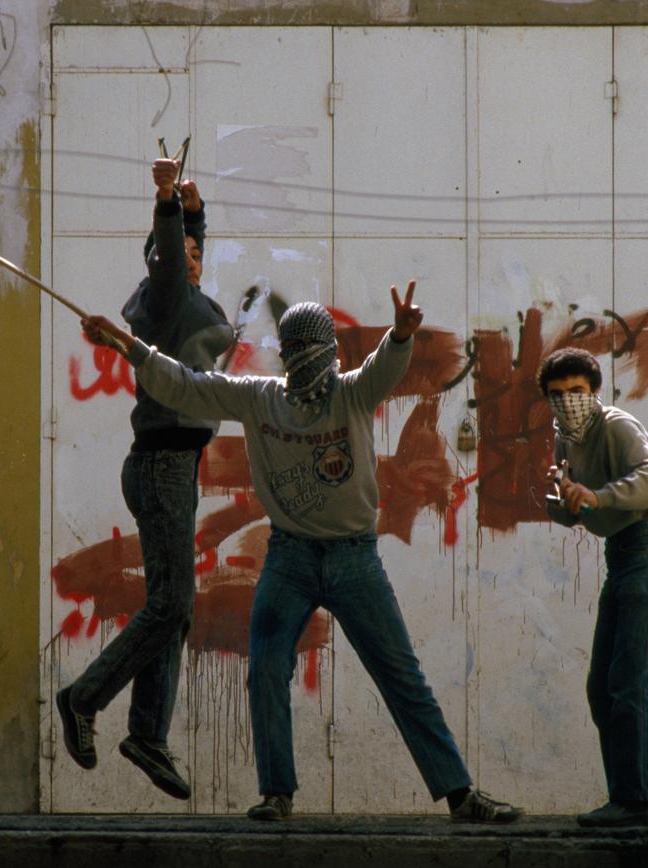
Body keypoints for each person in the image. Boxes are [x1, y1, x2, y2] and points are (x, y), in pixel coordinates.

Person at [81, 282, 522, 824]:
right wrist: (129, 346)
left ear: (332, 355)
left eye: (318, 353)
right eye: (299, 352)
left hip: (354, 560)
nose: (311, 365)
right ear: (287, 356)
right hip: (289, 558)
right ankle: (277, 795)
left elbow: (385, 367)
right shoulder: (260, 398)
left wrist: (401, 335)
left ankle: (460, 794)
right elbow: (187, 386)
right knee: (267, 669)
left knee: (401, 676)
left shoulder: (351, 392)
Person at [56, 157, 233, 801]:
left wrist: (194, 210)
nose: (193, 257)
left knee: (172, 608)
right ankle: (83, 698)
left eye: (198, 251)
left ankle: (148, 735)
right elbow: (169, 259)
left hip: (175, 467)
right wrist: (165, 202)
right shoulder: (165, 300)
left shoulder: (184, 298)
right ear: (162, 260)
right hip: (162, 464)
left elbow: (184, 249)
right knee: (171, 604)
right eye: (182, 252)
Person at [540, 347, 648, 828]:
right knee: (602, 688)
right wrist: (564, 499)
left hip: (646, 549)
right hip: (621, 555)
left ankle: (637, 804)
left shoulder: (617, 426)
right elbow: (573, 512)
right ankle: (626, 800)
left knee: (628, 681)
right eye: (557, 394)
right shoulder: (564, 441)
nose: (568, 401)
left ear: (594, 391)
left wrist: (596, 496)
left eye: (577, 391)